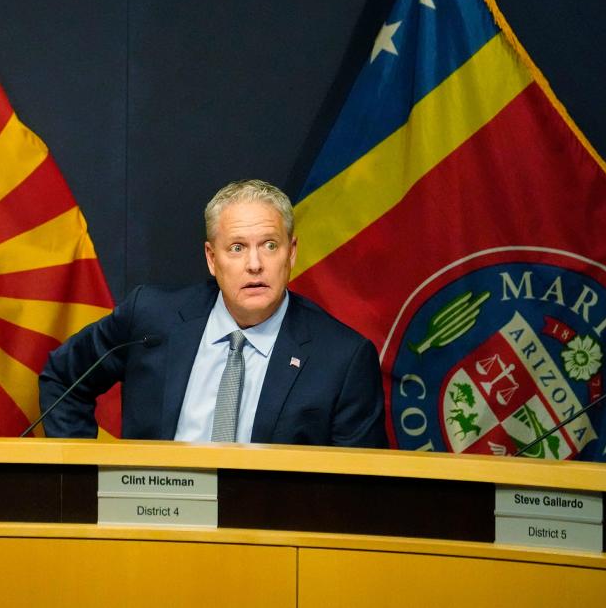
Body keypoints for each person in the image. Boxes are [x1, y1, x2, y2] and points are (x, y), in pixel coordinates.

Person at [38, 179, 386, 446]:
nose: (255, 265)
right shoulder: (152, 317)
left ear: (291, 253)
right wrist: (88, 480)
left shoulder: (342, 359)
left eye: (269, 245)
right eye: (237, 248)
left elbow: (358, 494)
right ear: (211, 258)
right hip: (156, 525)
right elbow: (63, 378)